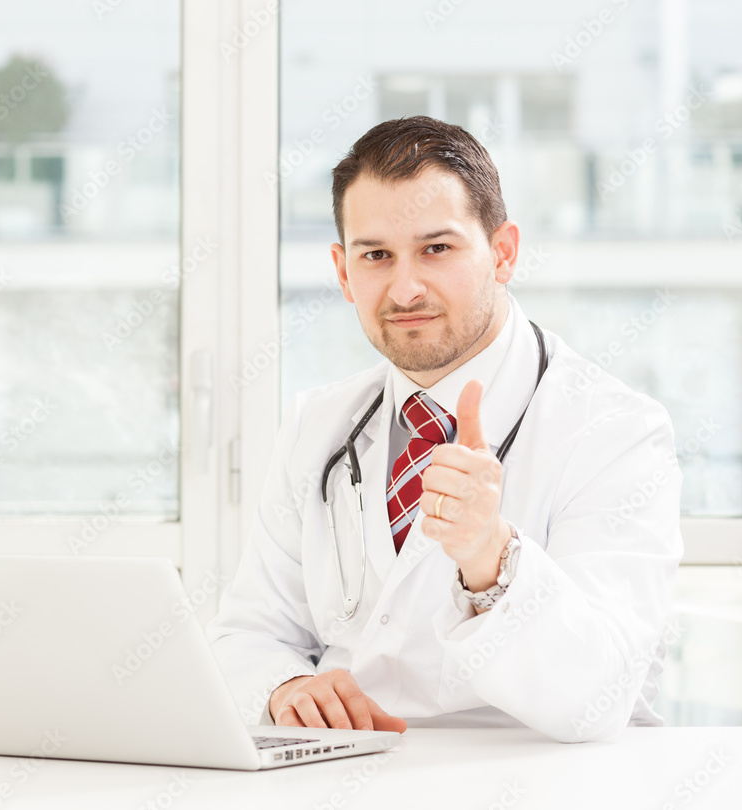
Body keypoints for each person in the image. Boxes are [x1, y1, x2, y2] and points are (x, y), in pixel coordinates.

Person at [208, 115, 683, 742]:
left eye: (437, 248)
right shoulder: (315, 426)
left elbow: (596, 700)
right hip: (351, 772)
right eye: (376, 255)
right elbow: (248, 634)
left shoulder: (614, 430)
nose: (405, 288)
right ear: (344, 272)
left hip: (538, 781)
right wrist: (285, 688)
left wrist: (490, 556)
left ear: (503, 252)